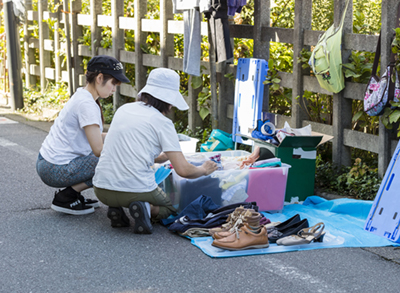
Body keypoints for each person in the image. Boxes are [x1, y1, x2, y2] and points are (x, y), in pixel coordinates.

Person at [93, 68, 218, 234]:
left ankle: (117, 208)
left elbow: (131, 153)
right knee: (171, 209)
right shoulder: (162, 122)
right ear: (169, 100)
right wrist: (204, 169)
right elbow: (184, 170)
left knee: (120, 189)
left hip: (101, 189)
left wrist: (160, 158)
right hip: (135, 190)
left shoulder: (124, 109)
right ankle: (146, 208)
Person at [36, 55, 130, 215]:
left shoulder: (83, 96)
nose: (114, 89)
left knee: (113, 155)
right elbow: (99, 151)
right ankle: (66, 197)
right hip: (54, 169)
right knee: (112, 159)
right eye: (113, 83)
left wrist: (124, 137)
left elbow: (96, 135)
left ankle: (73, 195)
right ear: (100, 78)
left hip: (48, 163)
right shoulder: (87, 104)